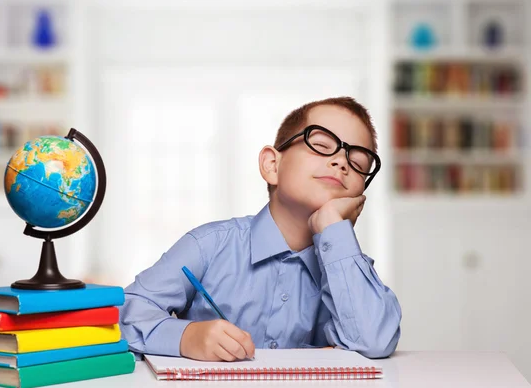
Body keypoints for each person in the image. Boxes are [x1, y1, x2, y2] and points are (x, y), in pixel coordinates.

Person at [119, 97, 401, 361]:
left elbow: (375, 341)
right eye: (322, 146)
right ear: (271, 165)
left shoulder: (349, 268)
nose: (341, 162)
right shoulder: (209, 245)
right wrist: (185, 337)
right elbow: (124, 312)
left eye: (358, 162)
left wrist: (334, 230)